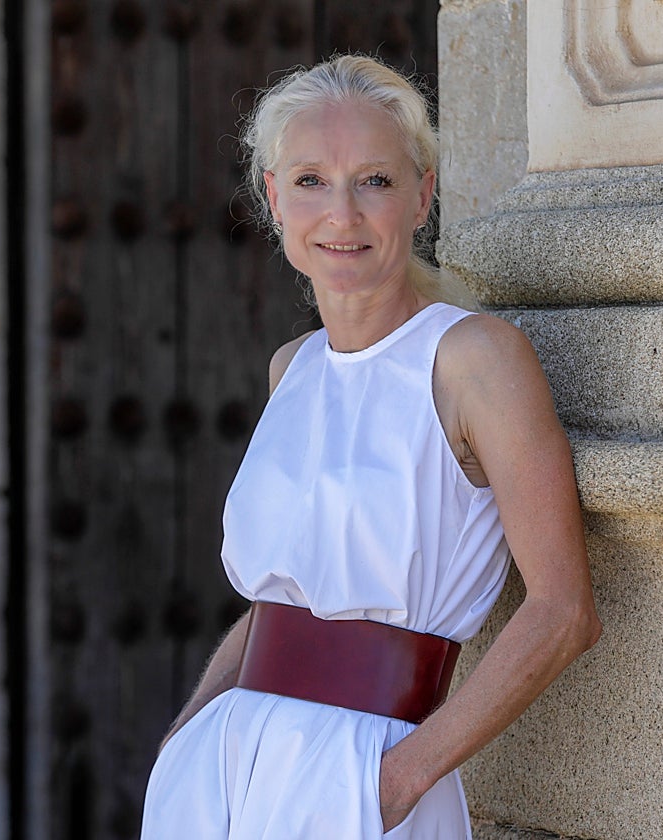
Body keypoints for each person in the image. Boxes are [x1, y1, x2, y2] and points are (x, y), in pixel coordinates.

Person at [141, 54, 601, 839]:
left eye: (376, 182)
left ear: (423, 196)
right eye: (312, 180)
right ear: (273, 198)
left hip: (366, 774)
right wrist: (183, 738)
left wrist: (398, 780)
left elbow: (563, 611)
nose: (342, 215)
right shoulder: (293, 368)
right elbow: (280, 604)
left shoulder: (473, 359)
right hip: (222, 773)